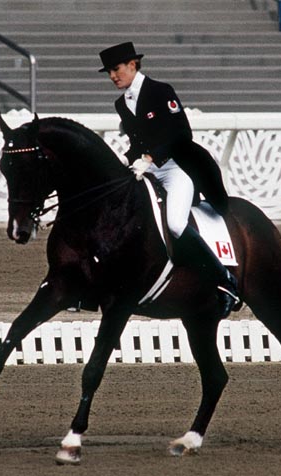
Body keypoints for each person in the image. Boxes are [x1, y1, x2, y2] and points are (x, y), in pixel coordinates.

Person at [98, 42, 240, 318]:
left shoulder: (161, 91)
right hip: (147, 169)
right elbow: (137, 142)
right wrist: (127, 160)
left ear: (132, 65)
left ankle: (225, 281)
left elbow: (180, 134)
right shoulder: (121, 103)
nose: (113, 76)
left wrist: (150, 158)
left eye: (116, 69)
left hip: (177, 168)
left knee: (175, 223)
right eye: (109, 72)